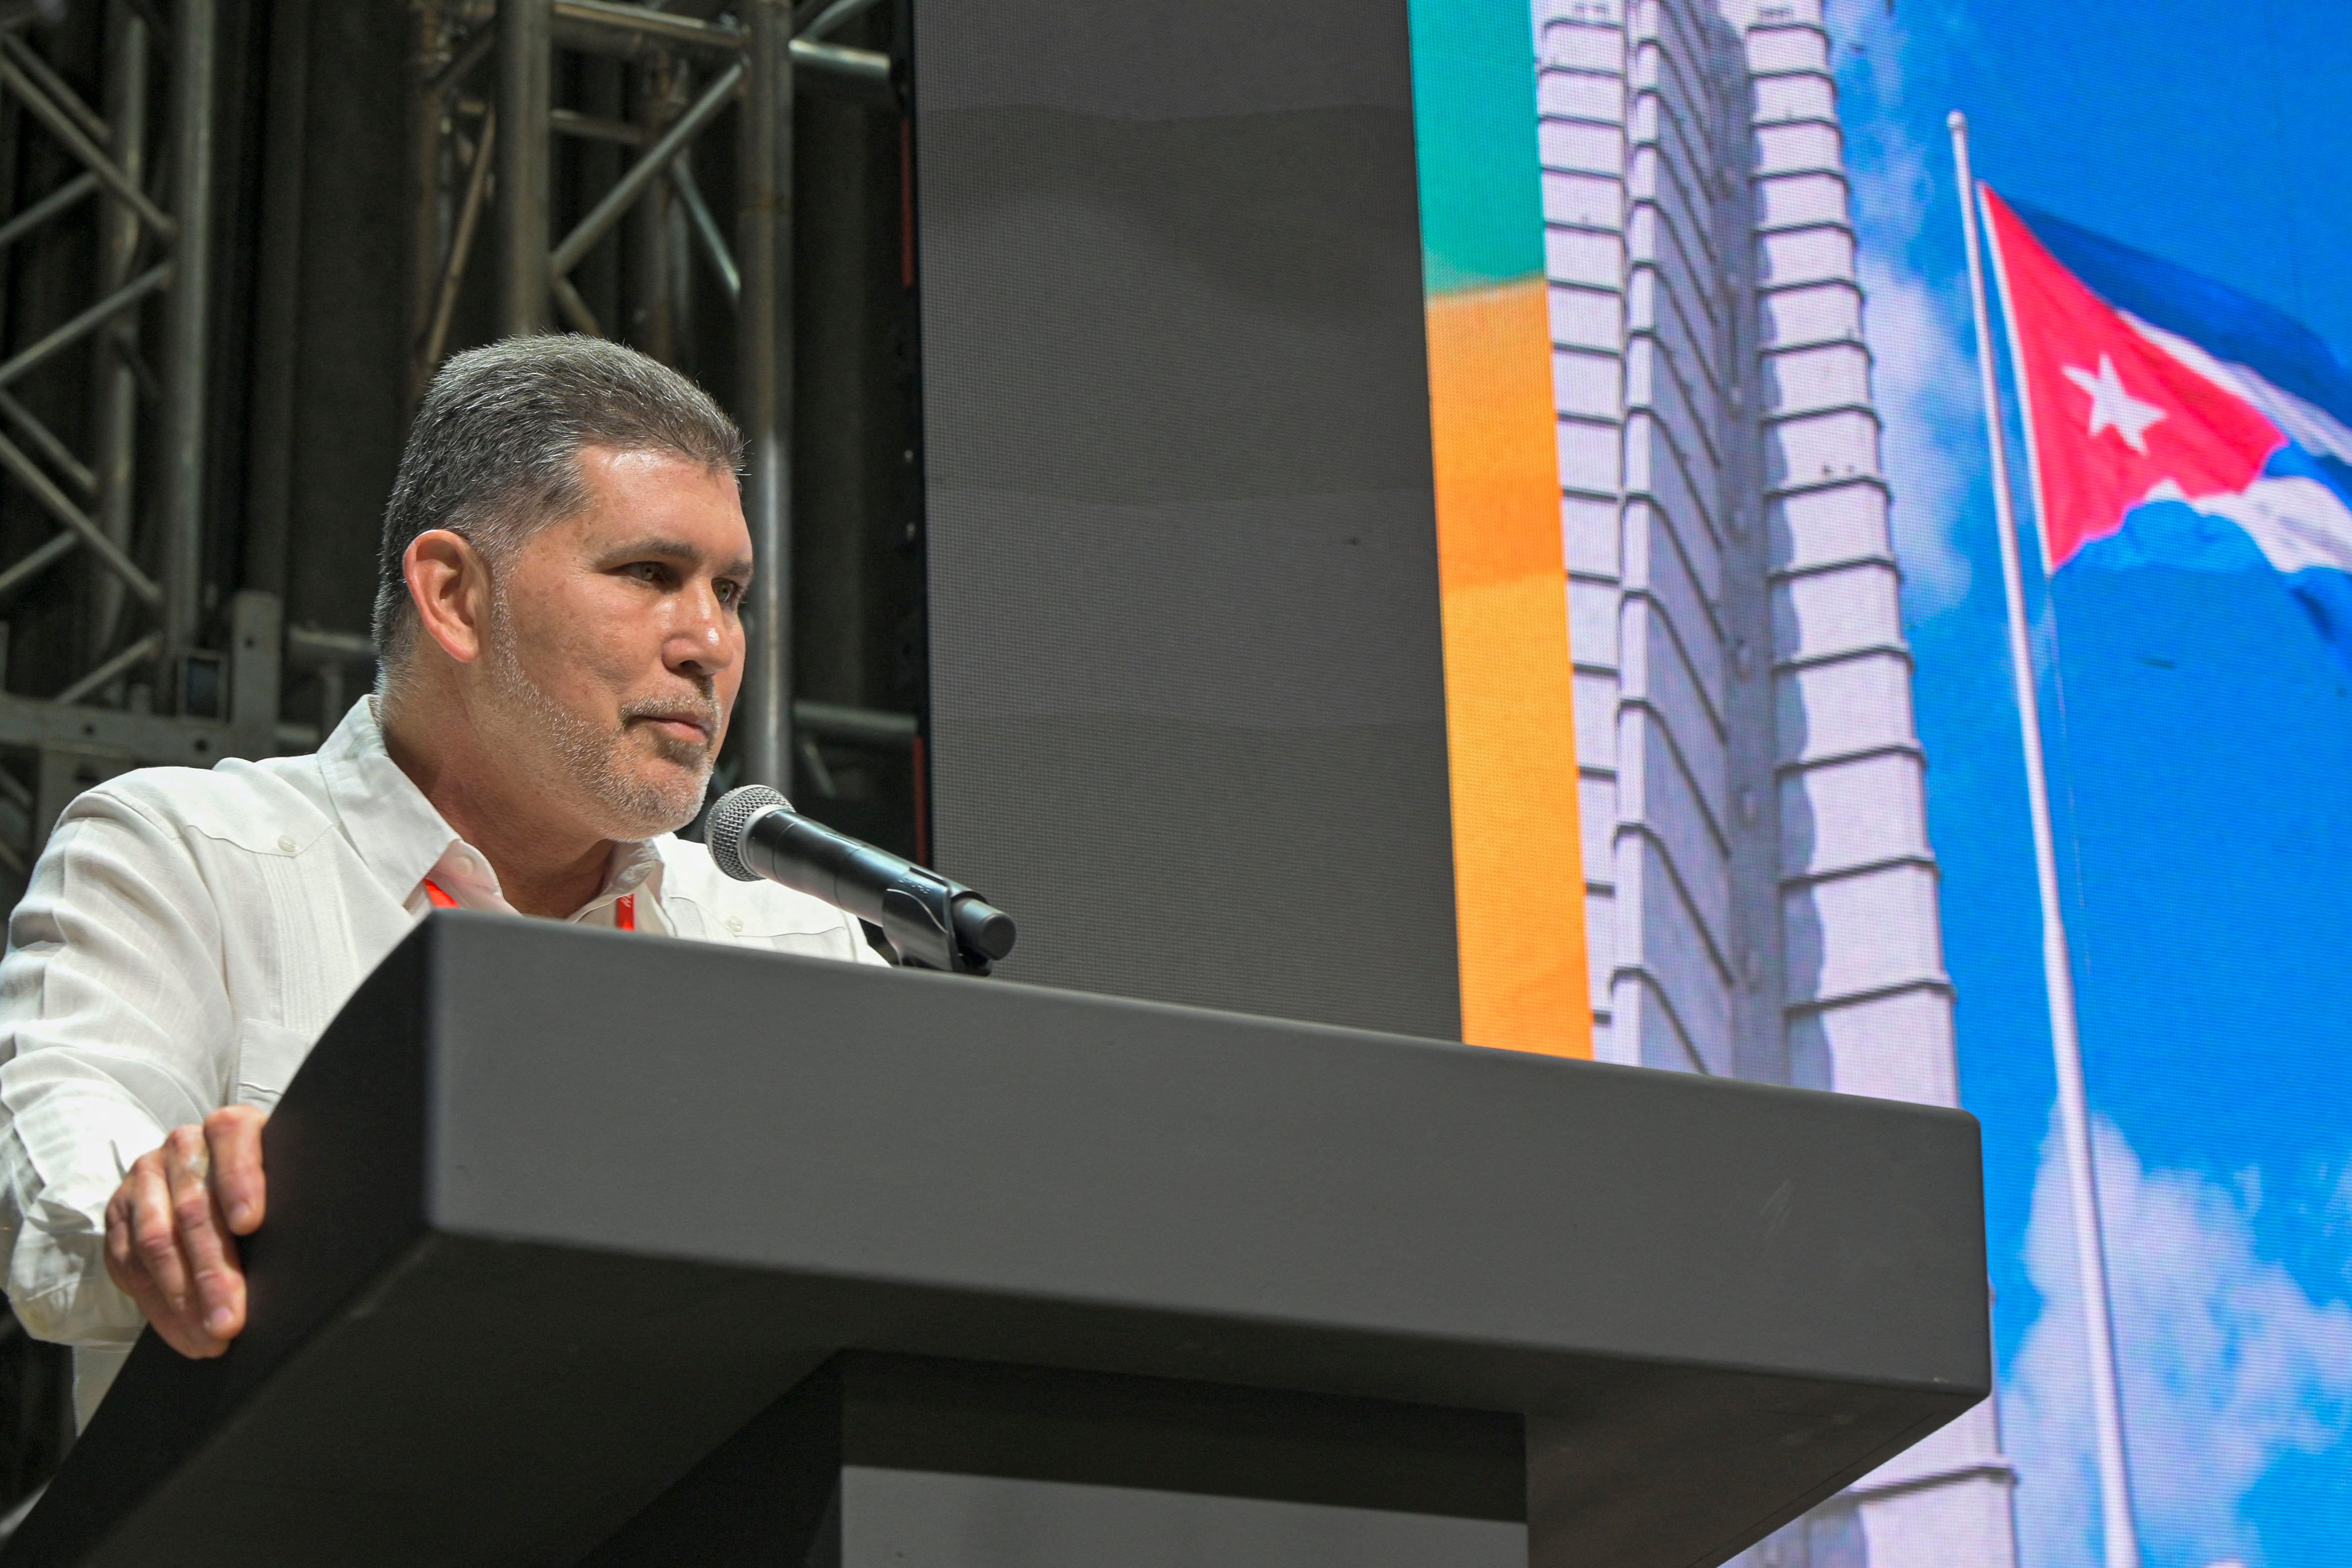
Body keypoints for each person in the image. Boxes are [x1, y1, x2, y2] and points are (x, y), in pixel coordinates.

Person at [0, 336, 889, 1426]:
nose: (711, 641)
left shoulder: (790, 935)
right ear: (455, 595)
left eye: (731, 590)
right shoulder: (186, 853)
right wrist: (154, 1204)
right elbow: (67, 1153)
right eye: (650, 574)